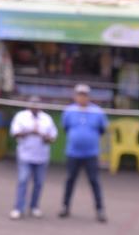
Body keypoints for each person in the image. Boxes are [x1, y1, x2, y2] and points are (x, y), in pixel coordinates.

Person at [59, 83, 109, 222]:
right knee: (70, 180)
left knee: (94, 181)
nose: (82, 97)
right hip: (73, 153)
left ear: (89, 97)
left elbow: (102, 129)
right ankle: (65, 207)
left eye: (85, 95)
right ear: (75, 96)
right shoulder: (69, 111)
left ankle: (100, 210)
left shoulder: (97, 112)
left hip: (91, 154)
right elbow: (66, 128)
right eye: (79, 94)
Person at [9, 95, 57, 220]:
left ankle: (34, 207)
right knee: (23, 180)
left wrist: (42, 135)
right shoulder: (21, 116)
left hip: (41, 156)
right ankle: (18, 208)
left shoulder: (47, 119)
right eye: (32, 105)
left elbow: (52, 137)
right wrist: (30, 131)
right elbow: (15, 133)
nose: (35, 107)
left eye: (37, 105)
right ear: (28, 105)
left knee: (39, 183)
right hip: (25, 155)